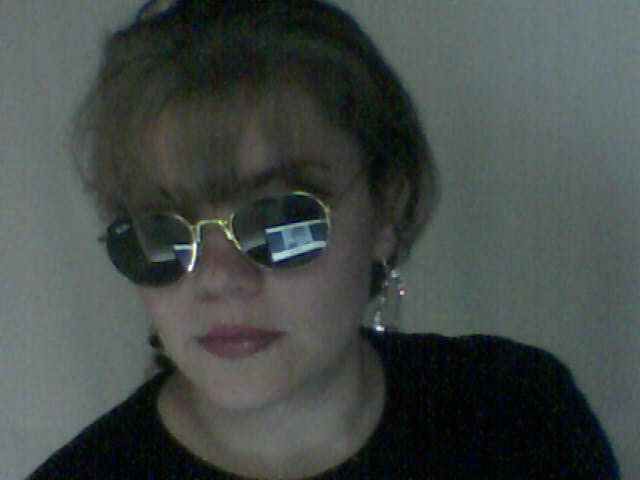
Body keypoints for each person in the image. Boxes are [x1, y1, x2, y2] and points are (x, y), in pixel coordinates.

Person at [28, 1, 619, 478]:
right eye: (161, 232)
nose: (219, 278)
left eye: (279, 219)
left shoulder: (519, 416)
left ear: (387, 211)